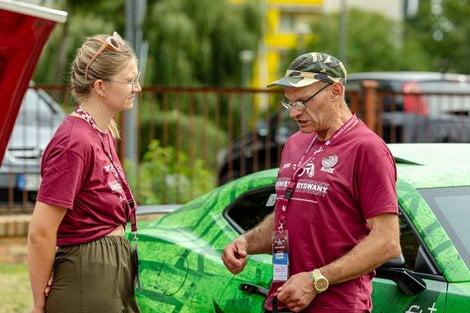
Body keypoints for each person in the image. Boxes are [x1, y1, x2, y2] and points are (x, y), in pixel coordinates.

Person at [221, 52, 401, 313]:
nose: (294, 112)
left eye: (303, 102)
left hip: (337, 306)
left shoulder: (368, 149)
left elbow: (387, 242)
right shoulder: (296, 143)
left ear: (335, 91)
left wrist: (317, 280)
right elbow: (288, 216)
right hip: (283, 300)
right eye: (289, 103)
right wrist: (245, 243)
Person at [27, 31, 142, 313]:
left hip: (107, 275)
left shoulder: (100, 133)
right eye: (129, 80)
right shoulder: (74, 142)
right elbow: (41, 232)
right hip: (87, 278)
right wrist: (39, 303)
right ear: (100, 86)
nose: (137, 88)